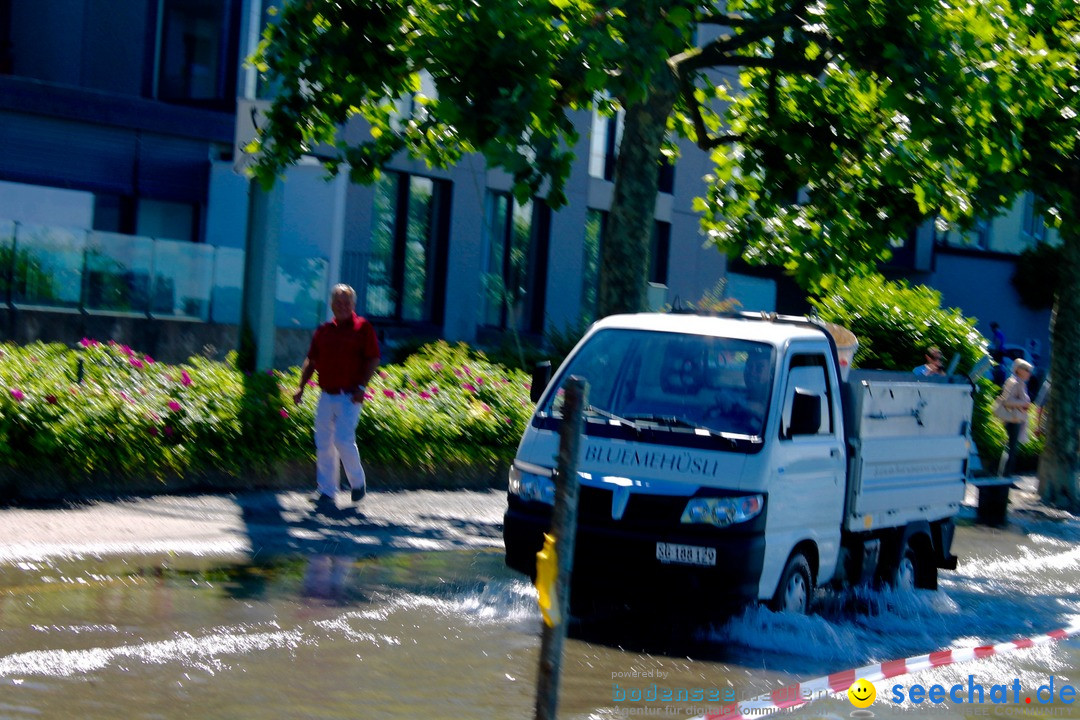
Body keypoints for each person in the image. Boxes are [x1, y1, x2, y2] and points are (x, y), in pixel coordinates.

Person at [294, 284, 381, 511]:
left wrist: (363, 386)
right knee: (323, 443)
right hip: (326, 395)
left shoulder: (362, 328)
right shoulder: (324, 330)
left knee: (342, 439)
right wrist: (301, 387)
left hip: (350, 395)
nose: (342, 306)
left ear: (353, 305)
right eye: (338, 303)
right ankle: (326, 491)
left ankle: (357, 482)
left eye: (347, 303)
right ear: (331, 305)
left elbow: (373, 358)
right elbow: (311, 361)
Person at [994, 357, 1032, 477]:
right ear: (1020, 370)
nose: (1029, 373)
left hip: (1016, 419)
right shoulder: (1015, 382)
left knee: (1011, 448)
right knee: (1011, 448)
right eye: (1027, 370)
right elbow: (1007, 401)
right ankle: (1006, 476)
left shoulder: (1018, 382)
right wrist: (1024, 404)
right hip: (1013, 419)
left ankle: (1005, 474)